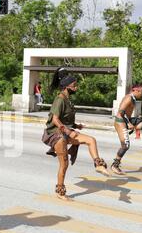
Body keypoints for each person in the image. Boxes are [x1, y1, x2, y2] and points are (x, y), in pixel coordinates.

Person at [42, 68, 110, 201]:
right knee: (64, 164)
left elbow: (65, 118)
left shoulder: (68, 99)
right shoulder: (60, 99)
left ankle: (98, 165)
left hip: (66, 132)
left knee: (91, 140)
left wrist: (75, 126)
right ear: (67, 86)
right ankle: (60, 191)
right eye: (74, 84)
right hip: (57, 135)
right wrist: (67, 130)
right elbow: (55, 119)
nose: (76, 86)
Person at [111, 83, 142, 175]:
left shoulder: (133, 98)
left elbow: (127, 113)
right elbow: (121, 112)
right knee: (125, 146)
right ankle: (114, 166)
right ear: (136, 90)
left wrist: (137, 118)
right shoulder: (128, 98)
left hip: (127, 120)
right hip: (121, 122)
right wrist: (129, 123)